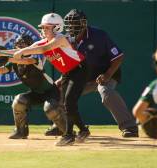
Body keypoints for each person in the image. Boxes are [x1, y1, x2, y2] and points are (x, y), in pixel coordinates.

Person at [0, 13, 90, 146]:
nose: (43, 30)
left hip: (79, 69)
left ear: (57, 28)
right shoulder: (42, 41)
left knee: (69, 102)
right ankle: (83, 130)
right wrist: (0, 53)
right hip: (67, 72)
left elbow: (43, 49)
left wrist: (22, 52)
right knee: (68, 104)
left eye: (47, 27)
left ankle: (68, 135)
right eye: (43, 27)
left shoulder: (60, 38)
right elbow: (27, 49)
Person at [46, 9, 138, 137]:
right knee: (61, 93)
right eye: (69, 24)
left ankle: (130, 127)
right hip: (83, 76)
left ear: (83, 23)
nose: (72, 27)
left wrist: (107, 75)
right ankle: (61, 126)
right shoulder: (66, 38)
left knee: (106, 91)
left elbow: (118, 57)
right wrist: (63, 79)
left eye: (75, 23)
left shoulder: (99, 35)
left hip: (105, 74)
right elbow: (70, 63)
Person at [0, 34, 66, 139]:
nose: (21, 48)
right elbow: (1, 70)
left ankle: (67, 132)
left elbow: (26, 61)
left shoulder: (36, 56)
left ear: (30, 47)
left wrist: (3, 57)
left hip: (51, 92)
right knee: (19, 101)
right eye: (18, 45)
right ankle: (21, 131)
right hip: (36, 93)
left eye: (24, 46)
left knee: (50, 109)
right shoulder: (14, 61)